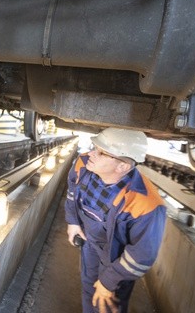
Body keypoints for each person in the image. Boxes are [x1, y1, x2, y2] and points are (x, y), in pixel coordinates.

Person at [65, 128, 166, 313]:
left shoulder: (146, 203)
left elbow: (142, 255)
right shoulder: (84, 163)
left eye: (101, 152)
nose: (91, 154)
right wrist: (73, 221)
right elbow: (72, 189)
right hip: (90, 241)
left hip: (115, 258)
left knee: (108, 303)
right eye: (95, 147)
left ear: (122, 167)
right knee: (89, 287)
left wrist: (108, 281)